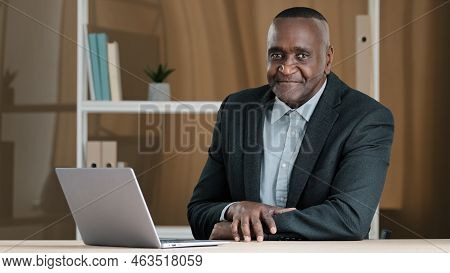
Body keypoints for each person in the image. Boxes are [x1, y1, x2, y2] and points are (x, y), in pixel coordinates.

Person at [188, 7, 394, 241]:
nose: (286, 68)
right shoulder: (237, 108)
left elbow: (349, 218)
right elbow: (199, 210)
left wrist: (250, 227)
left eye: (302, 55)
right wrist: (234, 209)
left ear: (327, 59)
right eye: (277, 55)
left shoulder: (366, 118)